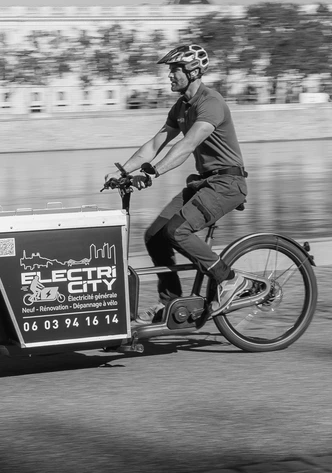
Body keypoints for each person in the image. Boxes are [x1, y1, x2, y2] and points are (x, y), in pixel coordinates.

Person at [105, 43, 249, 323]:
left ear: (193, 71)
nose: (169, 76)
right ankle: (170, 303)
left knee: (177, 231)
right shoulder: (181, 106)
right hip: (203, 183)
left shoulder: (211, 102)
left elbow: (187, 145)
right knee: (155, 236)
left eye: (175, 70)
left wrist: (150, 174)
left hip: (227, 183)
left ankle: (230, 280)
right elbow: (157, 143)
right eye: (170, 71)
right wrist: (124, 170)